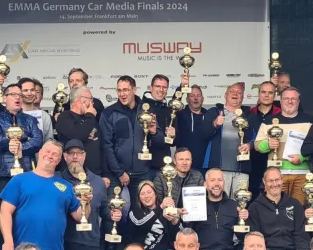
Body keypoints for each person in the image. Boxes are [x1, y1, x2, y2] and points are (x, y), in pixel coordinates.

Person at [0, 139, 85, 250]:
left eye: (55, 154)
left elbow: (79, 216)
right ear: (39, 153)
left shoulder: (66, 186)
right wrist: (8, 242)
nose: (50, 156)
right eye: (47, 151)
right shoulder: (19, 180)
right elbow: (4, 212)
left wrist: (86, 202)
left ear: (59, 160)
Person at [60, 139, 120, 250]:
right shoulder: (57, 180)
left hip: (90, 244)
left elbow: (104, 210)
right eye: (71, 153)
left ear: (85, 156)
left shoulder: (98, 182)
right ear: (65, 157)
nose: (75, 157)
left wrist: (113, 215)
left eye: (79, 153)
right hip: (65, 245)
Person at [99, 75, 166, 203]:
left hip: (143, 173)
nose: (122, 94)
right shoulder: (109, 113)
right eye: (119, 90)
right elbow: (106, 146)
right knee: (114, 211)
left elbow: (160, 142)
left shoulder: (147, 110)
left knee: (142, 210)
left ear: (134, 90)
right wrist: (119, 172)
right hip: (116, 174)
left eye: (126, 90)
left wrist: (154, 132)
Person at [183, 168, 248, 250]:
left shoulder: (234, 205)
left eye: (220, 180)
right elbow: (187, 231)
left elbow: (242, 237)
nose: (216, 184)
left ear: (224, 183)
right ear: (205, 184)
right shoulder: (196, 204)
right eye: (212, 180)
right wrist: (186, 216)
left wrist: (243, 221)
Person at [256, 86, 312, 204]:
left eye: (293, 99)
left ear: (298, 101)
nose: (290, 101)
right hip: (276, 175)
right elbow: (257, 145)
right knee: (276, 208)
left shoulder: (309, 120)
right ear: (280, 101)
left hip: (302, 174)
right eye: (286, 99)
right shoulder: (269, 121)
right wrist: (268, 145)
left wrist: (302, 157)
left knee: (299, 209)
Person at [246, 167, 308, 250]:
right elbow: (255, 238)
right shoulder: (255, 207)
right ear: (264, 182)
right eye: (270, 181)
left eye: (277, 180)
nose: (275, 184)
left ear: (282, 179)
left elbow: (301, 234)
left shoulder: (295, 204)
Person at [200, 83, 252, 198]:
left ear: (243, 97)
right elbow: (203, 134)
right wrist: (214, 124)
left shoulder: (249, 115)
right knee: (219, 200)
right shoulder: (214, 112)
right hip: (219, 169)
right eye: (232, 91)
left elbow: (256, 137)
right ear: (225, 95)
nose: (235, 94)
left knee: (241, 202)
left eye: (239, 92)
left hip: (242, 169)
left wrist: (249, 145)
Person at [0, 83, 44, 185]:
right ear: (4, 98)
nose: (17, 97)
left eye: (20, 95)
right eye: (13, 94)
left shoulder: (31, 120)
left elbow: (38, 141)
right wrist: (25, 138)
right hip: (4, 174)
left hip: (28, 171)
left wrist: (21, 147)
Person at [126, 180, 181, 250]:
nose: (146, 196)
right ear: (139, 197)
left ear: (155, 194)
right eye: (142, 194)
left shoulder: (166, 210)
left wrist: (175, 222)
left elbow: (178, 235)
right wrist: (160, 208)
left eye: (149, 192)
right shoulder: (134, 212)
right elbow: (142, 223)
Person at [55, 86, 104, 177]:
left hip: (95, 175)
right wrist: (90, 115)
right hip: (72, 175)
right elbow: (78, 136)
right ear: (81, 100)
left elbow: (101, 146)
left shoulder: (91, 118)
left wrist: (105, 174)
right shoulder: (64, 117)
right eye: (90, 99)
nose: (93, 103)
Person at [173, 85, 212, 171]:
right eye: (192, 96)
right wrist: (181, 86)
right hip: (184, 165)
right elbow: (174, 104)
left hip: (205, 165)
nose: (196, 98)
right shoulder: (179, 114)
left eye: (198, 95)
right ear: (187, 99)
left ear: (203, 99)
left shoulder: (210, 116)